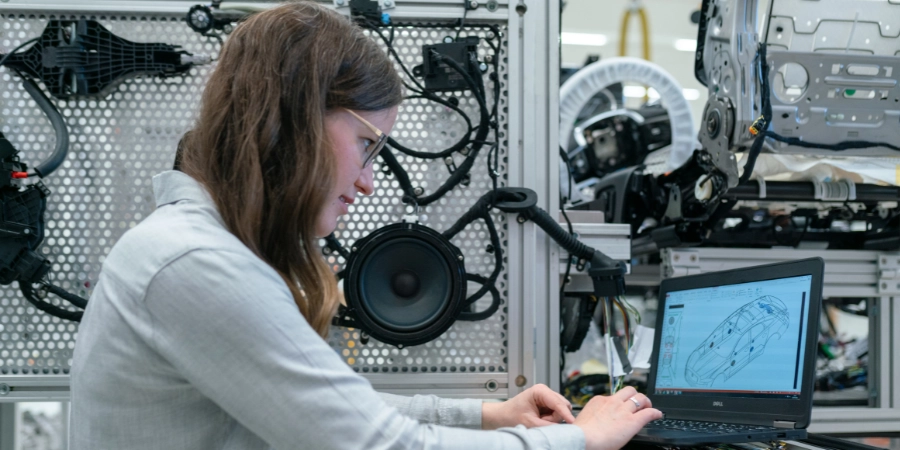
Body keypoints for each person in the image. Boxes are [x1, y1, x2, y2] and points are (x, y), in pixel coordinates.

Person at [69, 2, 661, 449]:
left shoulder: (193, 247)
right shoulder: (197, 263)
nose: (369, 181)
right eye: (367, 144)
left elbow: (327, 404)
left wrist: (490, 415)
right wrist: (578, 438)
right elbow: (374, 442)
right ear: (294, 119)